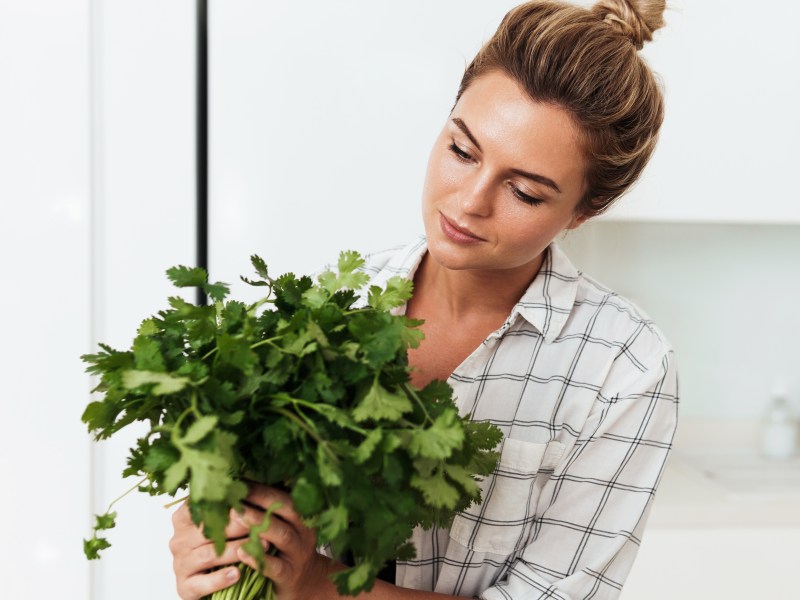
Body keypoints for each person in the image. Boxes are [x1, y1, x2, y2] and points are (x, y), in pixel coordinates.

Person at [169, 0, 679, 598]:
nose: (469, 201)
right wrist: (221, 547)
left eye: (524, 191)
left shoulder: (624, 368)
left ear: (585, 210)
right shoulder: (335, 304)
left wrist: (313, 582)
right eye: (462, 151)